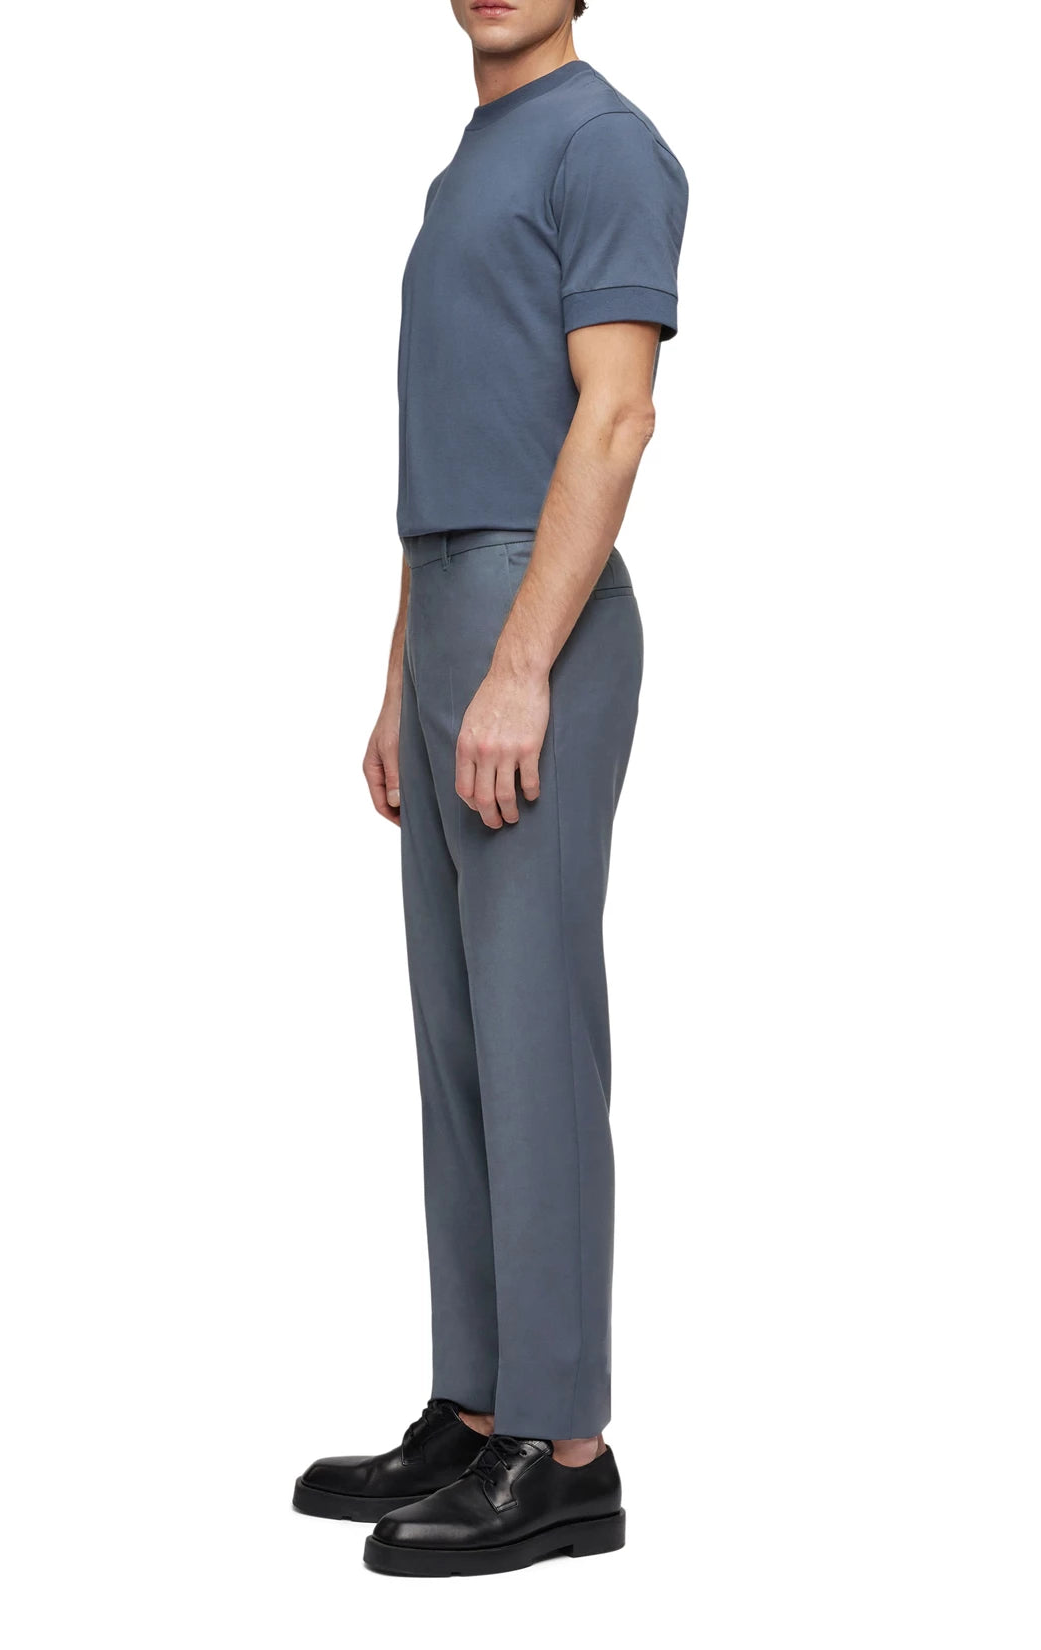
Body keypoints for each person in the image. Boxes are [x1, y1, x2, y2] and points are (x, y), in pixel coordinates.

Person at [294, 0, 688, 1577]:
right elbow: (448, 439)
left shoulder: (608, 144)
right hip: (450, 605)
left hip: (544, 615)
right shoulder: (470, 163)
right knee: (459, 1042)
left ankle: (566, 1447)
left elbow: (617, 413)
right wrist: (406, 674)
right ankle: (477, 1401)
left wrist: (521, 664)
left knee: (534, 1038)